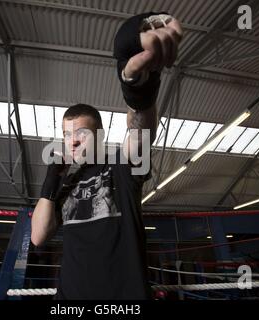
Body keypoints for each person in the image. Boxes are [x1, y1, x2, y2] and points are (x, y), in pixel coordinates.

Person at [31, 12, 183, 300]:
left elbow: (140, 131)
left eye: (82, 134)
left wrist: (137, 87)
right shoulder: (65, 182)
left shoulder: (120, 165)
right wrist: (51, 181)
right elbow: (39, 236)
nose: (73, 141)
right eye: (67, 135)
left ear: (99, 135)